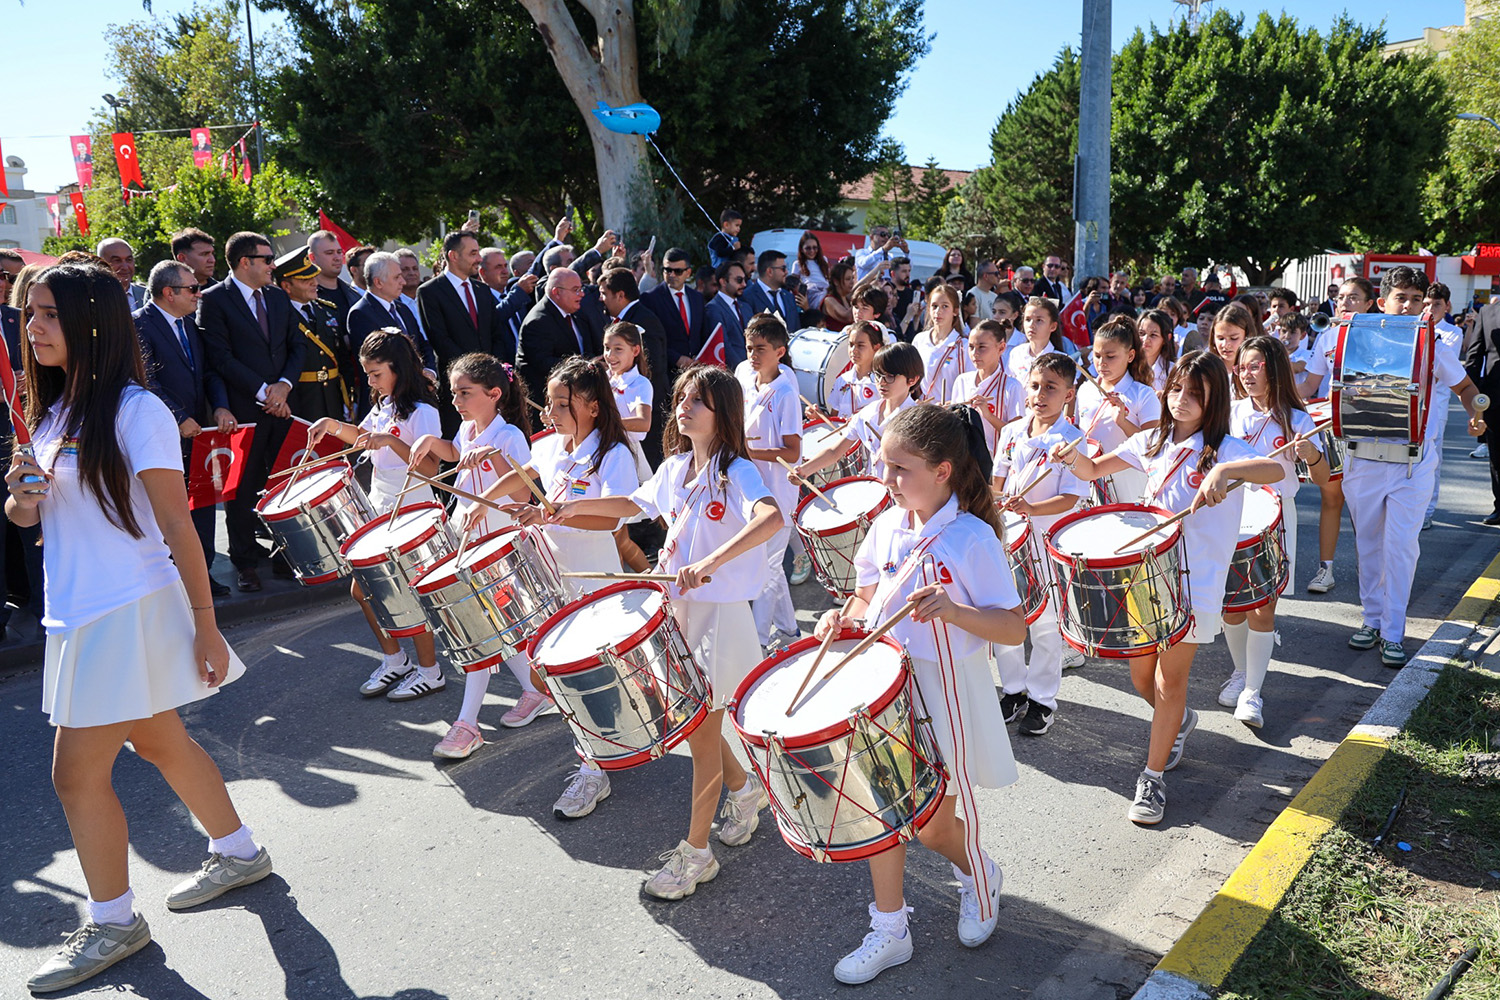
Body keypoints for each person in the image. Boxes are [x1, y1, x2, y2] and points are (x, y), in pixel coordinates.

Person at [12, 265, 269, 994]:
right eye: (30, 314)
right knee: (159, 739)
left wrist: (206, 624)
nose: (34, 328)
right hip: (81, 611)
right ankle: (239, 850)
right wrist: (22, 502)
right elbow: (36, 523)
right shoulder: (54, 413)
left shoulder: (136, 411)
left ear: (93, 320)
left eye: (49, 315)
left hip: (122, 610)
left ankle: (115, 921)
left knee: (74, 775)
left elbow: (178, 527)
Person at [549, 364, 784, 899]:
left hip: (719, 615)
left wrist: (712, 562)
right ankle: (746, 792)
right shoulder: (676, 466)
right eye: (681, 397)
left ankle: (696, 852)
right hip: (678, 609)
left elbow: (769, 519)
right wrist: (570, 506)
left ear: (722, 413)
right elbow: (631, 506)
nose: (684, 407)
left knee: (700, 731)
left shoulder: (737, 470)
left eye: (697, 400)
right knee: (697, 723)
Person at [815, 403, 1026, 984]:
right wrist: (841, 618)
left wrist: (956, 612)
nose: (887, 480)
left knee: (935, 819)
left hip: (947, 685)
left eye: (900, 470)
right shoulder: (886, 524)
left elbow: (1014, 626)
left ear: (943, 472)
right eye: (885, 466)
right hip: (886, 682)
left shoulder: (972, 536)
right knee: (885, 808)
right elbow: (864, 598)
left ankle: (978, 878)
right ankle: (890, 928)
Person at [1054, 352, 1283, 824]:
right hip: (1147, 576)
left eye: (1195, 394)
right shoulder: (1152, 440)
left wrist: (1224, 472)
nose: (1182, 400)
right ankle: (1177, 721)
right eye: (1176, 389)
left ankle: (1152, 778)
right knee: (1141, 679)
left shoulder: (1226, 447)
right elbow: (1093, 470)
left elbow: (1275, 471)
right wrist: (1071, 455)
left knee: (1168, 680)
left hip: (1195, 584)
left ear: (1213, 399)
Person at [468, 357, 635, 819]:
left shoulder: (613, 454)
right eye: (552, 402)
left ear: (594, 407)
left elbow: (615, 517)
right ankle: (599, 749)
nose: (552, 411)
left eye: (564, 404)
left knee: (589, 673)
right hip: (549, 579)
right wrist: (484, 503)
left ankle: (593, 768)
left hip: (593, 582)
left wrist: (552, 512)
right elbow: (524, 476)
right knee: (565, 677)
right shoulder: (552, 447)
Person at [1345, 266, 1484, 667]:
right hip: (1364, 458)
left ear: (1426, 304)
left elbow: (1465, 388)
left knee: (1401, 548)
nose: (1407, 305)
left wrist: (1476, 413)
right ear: (1382, 301)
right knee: (1368, 544)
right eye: (1400, 297)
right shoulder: (1357, 341)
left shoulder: (1434, 346)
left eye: (1415, 298)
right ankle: (1371, 620)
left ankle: (1392, 631)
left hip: (1413, 464)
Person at [407, 353, 544, 757]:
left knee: (483, 634)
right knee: (495, 631)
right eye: (454, 393)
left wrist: (491, 461)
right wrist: (433, 442)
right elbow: (455, 451)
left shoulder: (510, 437)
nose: (456, 402)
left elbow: (525, 493)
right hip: (469, 543)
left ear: (494, 394)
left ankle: (467, 724)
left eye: (465, 393)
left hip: (502, 547)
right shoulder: (469, 428)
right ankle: (535, 692)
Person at [306, 329, 445, 699]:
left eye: (376, 373)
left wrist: (394, 443)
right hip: (380, 505)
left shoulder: (423, 411)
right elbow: (363, 436)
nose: (370, 381)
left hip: (412, 508)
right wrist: (331, 425)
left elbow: (433, 469)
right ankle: (396, 660)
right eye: (367, 374)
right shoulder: (385, 405)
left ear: (398, 369)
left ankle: (430, 670)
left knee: (405, 592)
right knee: (363, 589)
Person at [1220, 336, 1325, 727]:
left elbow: (1322, 475)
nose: (1246, 374)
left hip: (1276, 518)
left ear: (1275, 368)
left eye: (1255, 366)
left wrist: (1310, 454)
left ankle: (1253, 692)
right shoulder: (1230, 414)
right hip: (1232, 515)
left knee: (1263, 608)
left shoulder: (1298, 420)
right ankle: (1241, 671)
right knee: (1232, 606)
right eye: (1242, 366)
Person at [197, 231, 304, 593]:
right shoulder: (214, 300)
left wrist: (284, 386)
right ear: (246, 262)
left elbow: (296, 345)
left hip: (283, 407)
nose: (274, 265)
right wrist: (264, 392)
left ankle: (283, 556)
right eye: (268, 259)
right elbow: (220, 357)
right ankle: (245, 562)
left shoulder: (276, 296)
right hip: (244, 411)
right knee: (241, 492)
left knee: (282, 484)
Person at [994, 352, 1086, 735]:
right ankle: (1013, 688)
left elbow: (1071, 497)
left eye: (1051, 387)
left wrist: (1031, 507)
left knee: (1046, 625)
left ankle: (1043, 699)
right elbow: (997, 484)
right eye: (1034, 385)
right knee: (1005, 617)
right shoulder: (1011, 431)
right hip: (1008, 539)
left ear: (1069, 394)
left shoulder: (1072, 440)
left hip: (1047, 543)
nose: (1040, 394)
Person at [135, 261, 235, 599]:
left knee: (203, 502)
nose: (199, 293)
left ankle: (201, 574)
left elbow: (207, 372)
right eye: (192, 289)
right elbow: (145, 381)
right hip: (161, 434)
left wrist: (219, 405)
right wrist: (177, 418)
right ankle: (172, 583)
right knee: (169, 509)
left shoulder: (190, 324)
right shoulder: (138, 326)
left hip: (199, 431)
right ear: (168, 293)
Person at [1297, 276, 1376, 594]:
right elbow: (1309, 384)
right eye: (1342, 297)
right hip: (1332, 427)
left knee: (1363, 506)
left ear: (1370, 304)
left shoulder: (1377, 338)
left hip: (1366, 428)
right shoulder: (1327, 336)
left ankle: (1368, 570)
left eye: (1354, 297)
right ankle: (1325, 570)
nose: (1344, 302)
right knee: (1331, 500)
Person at [736, 313, 803, 646]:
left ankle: (758, 642)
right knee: (771, 567)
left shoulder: (786, 394)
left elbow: (792, 452)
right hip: (752, 490)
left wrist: (748, 452)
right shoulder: (745, 378)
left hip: (778, 493)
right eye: (749, 347)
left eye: (760, 348)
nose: (753, 355)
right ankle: (790, 631)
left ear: (780, 351)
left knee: (767, 569)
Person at [794, 342, 923, 483]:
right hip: (873, 490)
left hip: (904, 495)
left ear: (912, 379)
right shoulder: (867, 413)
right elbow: (834, 452)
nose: (881, 382)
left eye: (890, 376)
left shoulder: (916, 421)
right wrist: (804, 470)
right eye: (878, 375)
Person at [418, 231, 506, 429]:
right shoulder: (430, 292)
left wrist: (493, 371)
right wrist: (474, 373)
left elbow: (497, 333)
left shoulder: (482, 290)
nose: (479, 259)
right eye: (473, 253)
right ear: (453, 256)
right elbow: (440, 339)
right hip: (459, 388)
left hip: (490, 387)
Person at [1076, 314, 1162, 502]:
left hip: (1130, 483)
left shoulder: (1143, 394)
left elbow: (1154, 449)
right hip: (1088, 482)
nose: (1102, 363)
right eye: (1097, 356)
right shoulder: (1085, 389)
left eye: (1110, 356)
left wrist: (1122, 423)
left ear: (1130, 355)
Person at [275, 247, 353, 422]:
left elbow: (343, 360)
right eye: (306, 280)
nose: (314, 283)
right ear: (286, 286)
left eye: (313, 277)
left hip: (333, 398)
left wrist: (349, 396)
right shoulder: (279, 316)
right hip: (301, 401)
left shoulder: (328, 310)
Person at [602, 321, 654, 573]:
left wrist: (604, 422)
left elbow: (643, 423)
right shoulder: (603, 380)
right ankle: (650, 582)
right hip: (600, 458)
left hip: (623, 460)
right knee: (616, 535)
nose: (610, 356)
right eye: (606, 348)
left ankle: (645, 585)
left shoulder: (640, 384)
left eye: (617, 349)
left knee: (616, 535)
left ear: (635, 351)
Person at [516, 268, 605, 405]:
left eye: (581, 289)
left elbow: (585, 350)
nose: (581, 294)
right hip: (549, 405)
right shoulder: (537, 322)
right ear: (556, 292)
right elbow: (544, 364)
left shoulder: (574, 313)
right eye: (575, 289)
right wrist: (585, 366)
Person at [951, 319, 1023, 454]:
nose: (974, 353)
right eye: (971, 347)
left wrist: (988, 415)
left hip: (995, 464)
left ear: (1001, 348)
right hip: (964, 461)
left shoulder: (1012, 386)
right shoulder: (962, 381)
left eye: (982, 347)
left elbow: (1017, 435)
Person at [1423, 282, 1462, 529]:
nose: (1430, 309)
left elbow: (1437, 371)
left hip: (1437, 404)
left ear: (1447, 306)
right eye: (1426, 304)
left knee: (1433, 459)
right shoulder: (1416, 326)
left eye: (1436, 304)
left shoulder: (1452, 332)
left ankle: (1428, 510)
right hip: (1414, 405)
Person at [643, 248, 706, 373]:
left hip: (695, 370)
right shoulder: (650, 298)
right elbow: (650, 339)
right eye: (668, 270)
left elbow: (701, 333)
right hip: (666, 371)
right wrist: (676, 358)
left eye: (677, 271)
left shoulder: (697, 298)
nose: (672, 275)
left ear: (688, 273)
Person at [914, 285, 970, 404]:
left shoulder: (964, 346)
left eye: (945, 306)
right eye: (934, 306)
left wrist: (954, 403)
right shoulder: (920, 340)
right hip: (924, 411)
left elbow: (969, 384)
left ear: (955, 311)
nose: (938, 312)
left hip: (951, 413)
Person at [307, 230, 361, 347]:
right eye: (329, 253)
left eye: (339, 252)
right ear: (312, 257)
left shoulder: (354, 294)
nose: (337, 258)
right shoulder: (307, 298)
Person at [819, 320, 882, 421]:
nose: (853, 350)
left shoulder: (882, 383)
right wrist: (819, 416)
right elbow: (834, 420)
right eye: (851, 345)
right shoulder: (842, 380)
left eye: (860, 345)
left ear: (876, 347)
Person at [1008, 297, 1069, 386]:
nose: (1031, 325)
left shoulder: (1062, 360)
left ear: (1053, 326)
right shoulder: (1016, 353)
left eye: (1039, 320)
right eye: (1028, 319)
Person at [705, 259, 751, 372]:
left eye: (745, 280)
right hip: (733, 373)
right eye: (739, 280)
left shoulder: (745, 307)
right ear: (723, 282)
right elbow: (724, 346)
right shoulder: (713, 309)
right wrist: (744, 370)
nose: (744, 284)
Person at [1210, 302, 1261, 398]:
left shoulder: (1258, 370)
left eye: (1234, 338)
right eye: (1220, 338)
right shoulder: (1207, 368)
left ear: (1247, 336)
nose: (1226, 345)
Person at [741, 250, 800, 330]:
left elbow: (796, 328)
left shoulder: (789, 297)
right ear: (770, 271)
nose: (786, 272)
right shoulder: (747, 297)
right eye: (783, 268)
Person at [96, 238, 147, 310]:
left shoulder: (149, 296)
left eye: (129, 260)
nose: (125, 267)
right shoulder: (92, 298)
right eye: (117, 260)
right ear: (100, 264)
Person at [1138, 308, 1177, 392]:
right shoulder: (1125, 366)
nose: (1146, 339)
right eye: (1141, 333)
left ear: (1166, 338)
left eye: (1153, 335)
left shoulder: (1173, 372)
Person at [793, 231, 832, 308]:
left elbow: (828, 277)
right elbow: (794, 284)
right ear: (801, 249)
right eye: (808, 248)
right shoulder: (797, 264)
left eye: (814, 247)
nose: (812, 251)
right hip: (811, 292)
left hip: (825, 289)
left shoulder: (823, 260)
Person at [820, 260, 855, 330]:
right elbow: (847, 317)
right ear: (836, 282)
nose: (852, 282)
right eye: (848, 279)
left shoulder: (847, 298)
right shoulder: (829, 300)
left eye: (852, 278)